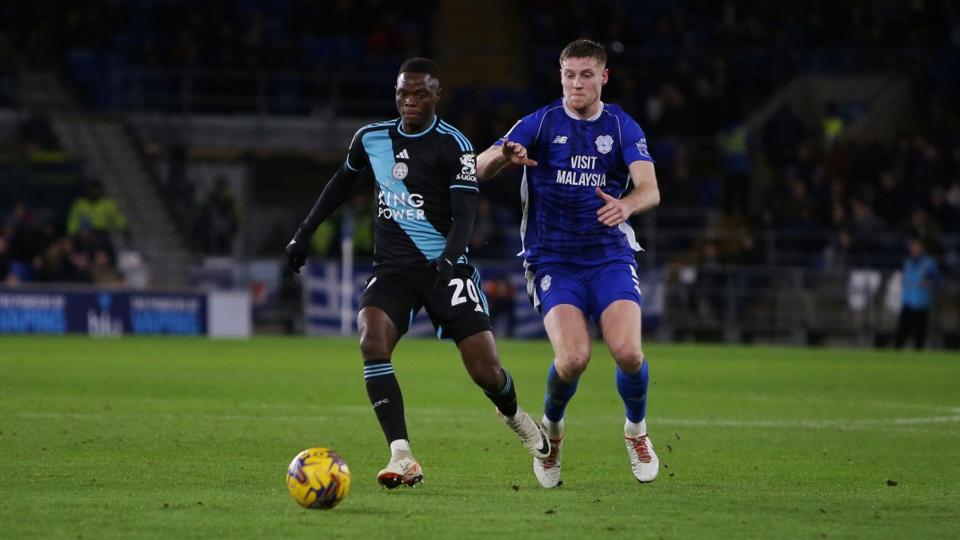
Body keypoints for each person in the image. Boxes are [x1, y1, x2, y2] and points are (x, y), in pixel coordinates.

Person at [285, 58, 550, 489]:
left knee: (486, 372)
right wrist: (302, 234)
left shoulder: (454, 144)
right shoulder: (370, 138)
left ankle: (516, 415)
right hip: (393, 270)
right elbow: (339, 185)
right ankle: (402, 455)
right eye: (403, 93)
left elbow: (465, 215)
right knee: (371, 340)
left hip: (447, 267)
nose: (410, 101)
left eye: (420, 94)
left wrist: (448, 261)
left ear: (436, 95)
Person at [476, 39, 662, 488]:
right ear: (560, 77)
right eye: (569, 75)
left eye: (585, 74)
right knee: (574, 358)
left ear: (603, 77)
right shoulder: (540, 122)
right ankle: (552, 433)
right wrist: (505, 154)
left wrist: (628, 206)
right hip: (552, 260)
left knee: (629, 352)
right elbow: (478, 169)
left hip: (608, 256)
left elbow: (649, 189)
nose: (576, 83)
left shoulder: (622, 127)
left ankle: (636, 430)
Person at [895, 238, 940, 349]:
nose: (914, 250)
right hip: (908, 301)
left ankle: (918, 354)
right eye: (912, 247)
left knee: (920, 333)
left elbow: (937, 280)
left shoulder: (929, 263)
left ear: (922, 248)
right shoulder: (907, 262)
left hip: (922, 302)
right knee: (902, 331)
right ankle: (896, 353)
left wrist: (931, 284)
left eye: (917, 247)